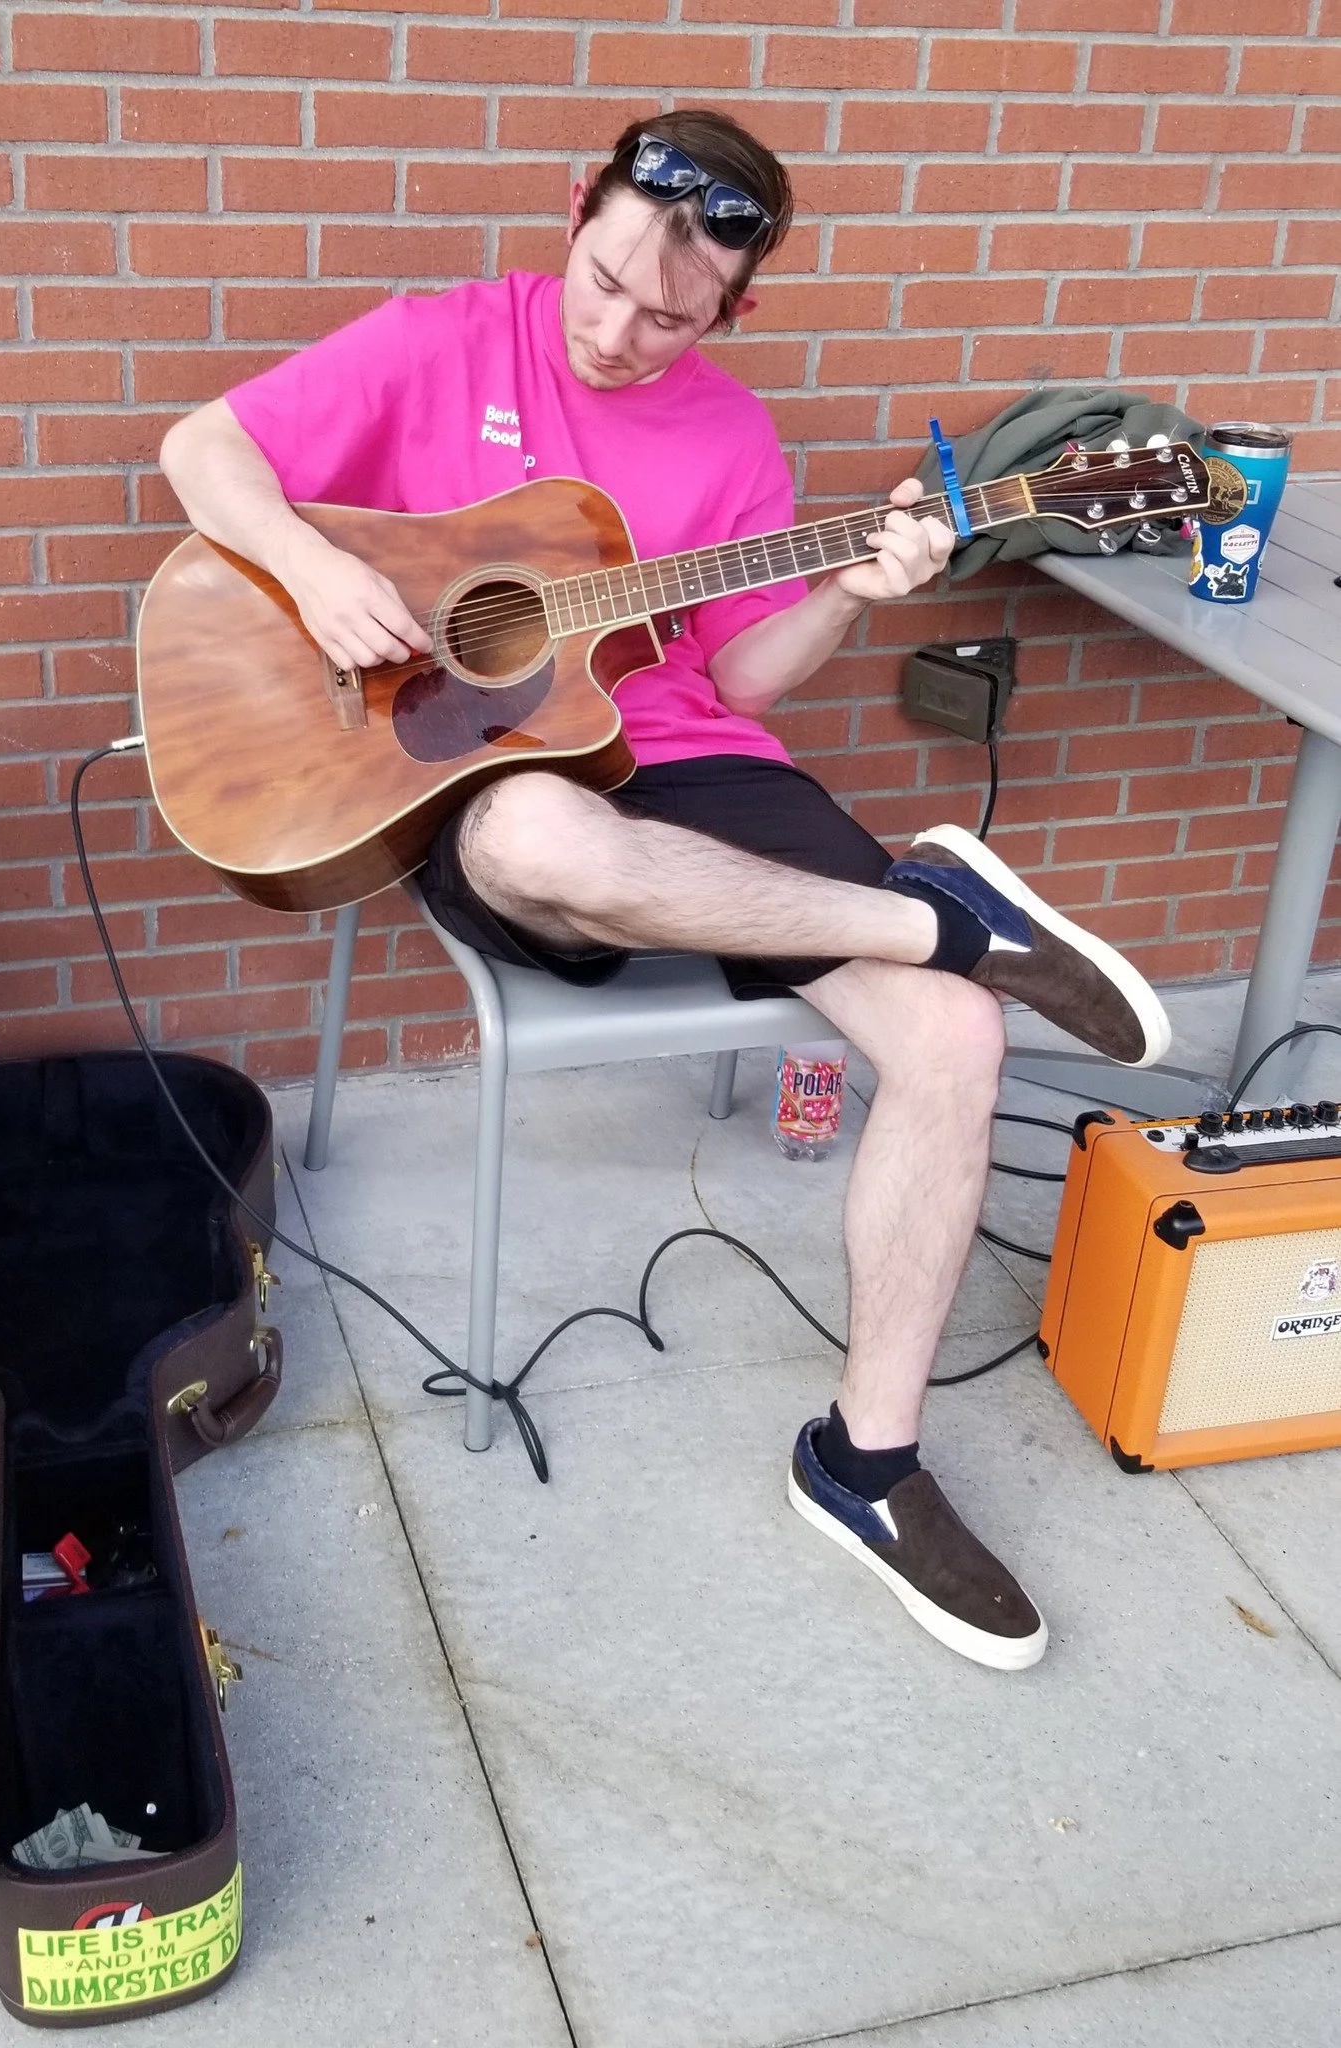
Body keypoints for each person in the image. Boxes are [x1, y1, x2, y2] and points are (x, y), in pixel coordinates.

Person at [159, 111, 1171, 1673]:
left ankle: (867, 1465)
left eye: (670, 315)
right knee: (532, 844)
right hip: (484, 769)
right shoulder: (437, 342)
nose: (619, 330)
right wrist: (312, 568)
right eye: (606, 278)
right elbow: (199, 453)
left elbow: (742, 675)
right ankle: (948, 919)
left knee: (957, 1045)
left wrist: (846, 581)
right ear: (577, 212)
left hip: (689, 763)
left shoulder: (731, 444)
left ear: (734, 313)